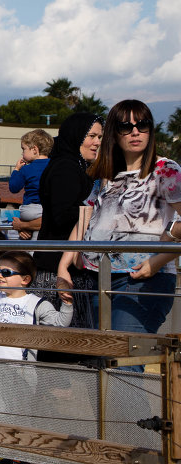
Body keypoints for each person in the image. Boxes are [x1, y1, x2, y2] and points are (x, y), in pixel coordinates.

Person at [58, 100, 181, 371]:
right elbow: (86, 219)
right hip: (97, 277)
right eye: (126, 126)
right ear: (115, 132)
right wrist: (64, 264)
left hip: (142, 279)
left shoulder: (165, 169)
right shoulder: (106, 176)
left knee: (124, 362)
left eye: (143, 125)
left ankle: (135, 416)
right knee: (101, 363)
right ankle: (123, 416)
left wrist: (158, 260)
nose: (135, 132)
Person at [26, 112, 102, 339]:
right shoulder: (66, 168)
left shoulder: (73, 166)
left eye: (100, 136)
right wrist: (95, 213)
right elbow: (63, 215)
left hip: (63, 266)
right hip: (58, 271)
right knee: (64, 345)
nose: (97, 142)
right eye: (92, 135)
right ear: (76, 136)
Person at [0, 251, 72, 423]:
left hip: (22, 368)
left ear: (25, 279)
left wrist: (67, 304)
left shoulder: (36, 303)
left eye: (6, 273)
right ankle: (2, 439)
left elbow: (60, 323)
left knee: (22, 408)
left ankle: (19, 439)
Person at [9, 129, 53, 239]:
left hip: (30, 209)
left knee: (27, 242)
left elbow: (13, 187)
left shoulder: (27, 169)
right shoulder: (54, 166)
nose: (22, 153)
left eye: (24, 149)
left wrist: (16, 170)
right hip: (45, 209)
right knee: (39, 239)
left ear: (34, 150)